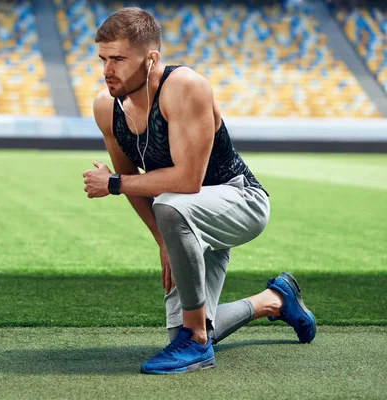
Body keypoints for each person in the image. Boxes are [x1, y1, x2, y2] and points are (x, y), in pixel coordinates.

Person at [82, 7, 316, 375]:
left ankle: (196, 342)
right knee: (184, 323)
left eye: (119, 59)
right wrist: (163, 240)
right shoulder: (105, 107)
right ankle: (274, 300)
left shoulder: (185, 86)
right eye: (102, 59)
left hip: (240, 199)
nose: (107, 69)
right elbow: (134, 182)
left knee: (172, 206)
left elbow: (188, 179)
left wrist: (112, 183)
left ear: (151, 58)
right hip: (183, 218)